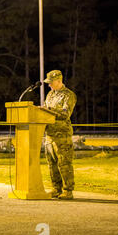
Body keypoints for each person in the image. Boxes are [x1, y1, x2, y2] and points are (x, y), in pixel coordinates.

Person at [42, 70, 77, 200]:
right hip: (50, 135)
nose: (49, 85)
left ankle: (68, 190)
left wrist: (49, 110)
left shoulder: (69, 95)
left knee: (64, 164)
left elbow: (65, 114)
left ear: (58, 81)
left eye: (51, 83)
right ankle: (56, 189)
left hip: (62, 136)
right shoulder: (50, 95)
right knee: (52, 165)